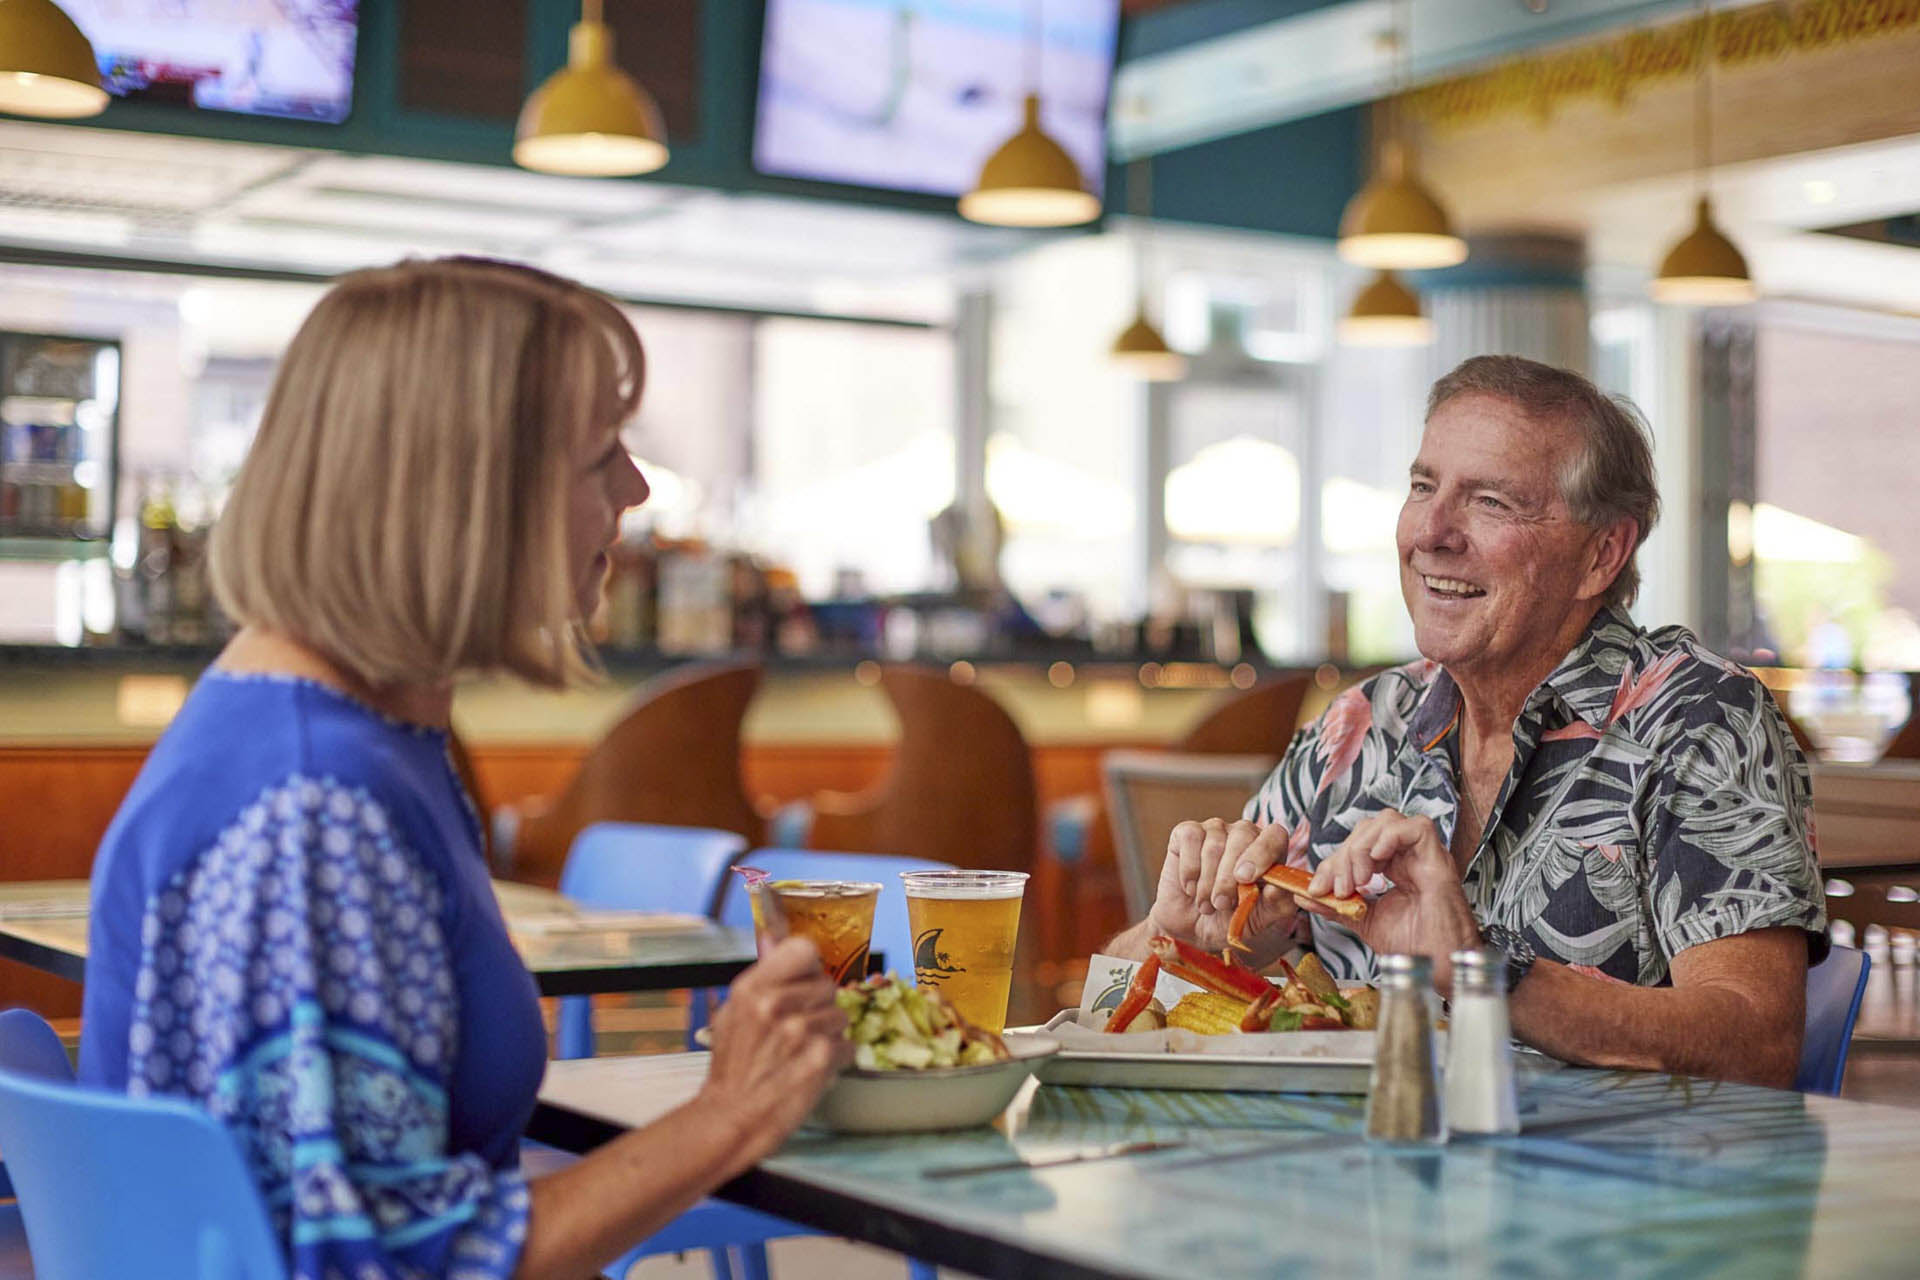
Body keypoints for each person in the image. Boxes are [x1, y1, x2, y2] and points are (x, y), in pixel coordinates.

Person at [79, 258, 850, 1280]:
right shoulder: (317, 800)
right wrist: (731, 1110)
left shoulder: (345, 733)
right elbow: (391, 1266)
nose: (638, 488)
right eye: (600, 455)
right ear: (470, 492)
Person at [1109, 355, 1824, 1089]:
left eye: (1490, 502)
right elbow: (1111, 1015)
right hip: (1344, 1174)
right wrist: (1182, 938)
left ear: (1602, 554)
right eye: (1423, 486)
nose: (1432, 531)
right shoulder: (1360, 726)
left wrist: (1481, 974)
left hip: (1611, 1188)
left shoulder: (1699, 719)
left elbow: (1757, 1040)